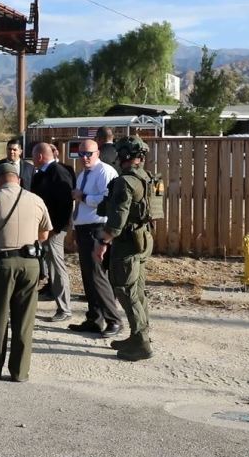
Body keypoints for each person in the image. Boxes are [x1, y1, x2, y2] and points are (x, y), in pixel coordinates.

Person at [0, 163, 52, 382]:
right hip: (31, 264)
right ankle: (20, 371)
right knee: (24, 320)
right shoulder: (36, 200)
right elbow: (45, 233)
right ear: (18, 180)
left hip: (2, 264)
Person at [94, 136, 155, 361]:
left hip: (128, 244)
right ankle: (141, 334)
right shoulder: (146, 177)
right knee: (137, 291)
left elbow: (117, 223)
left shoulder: (125, 182)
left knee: (126, 290)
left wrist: (103, 243)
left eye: (119, 153)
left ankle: (140, 341)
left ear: (125, 155)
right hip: (143, 241)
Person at [69, 139, 123, 338]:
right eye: (81, 154)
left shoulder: (105, 172)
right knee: (88, 277)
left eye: (88, 154)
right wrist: (75, 225)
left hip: (97, 228)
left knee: (98, 276)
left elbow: (106, 200)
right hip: (84, 228)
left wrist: (83, 196)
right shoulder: (83, 174)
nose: (84, 158)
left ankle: (113, 319)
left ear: (97, 153)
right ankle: (94, 318)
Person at [30, 142, 75, 321]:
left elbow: (65, 204)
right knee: (48, 266)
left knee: (57, 267)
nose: (32, 159)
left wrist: (55, 229)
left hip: (54, 230)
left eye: (33, 156)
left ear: (40, 156)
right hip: (44, 229)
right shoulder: (42, 173)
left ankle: (65, 309)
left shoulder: (58, 172)